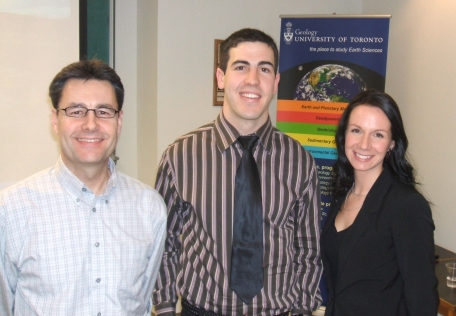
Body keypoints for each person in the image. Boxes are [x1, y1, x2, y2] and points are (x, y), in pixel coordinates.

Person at [153, 28, 322, 316]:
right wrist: (167, 308)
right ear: (221, 77)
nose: (253, 80)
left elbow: (307, 249)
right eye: (241, 66)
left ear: (276, 82)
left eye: (264, 69)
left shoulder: (299, 161)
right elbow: (163, 243)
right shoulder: (180, 156)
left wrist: (303, 310)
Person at [0, 59, 167, 315]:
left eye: (103, 111)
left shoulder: (149, 206)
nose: (91, 124)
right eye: (76, 111)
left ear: (119, 121)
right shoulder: (12, 209)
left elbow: (142, 303)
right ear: (55, 120)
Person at [321, 89, 439, 316]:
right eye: (356, 131)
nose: (364, 145)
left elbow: (422, 297)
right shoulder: (341, 195)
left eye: (378, 135)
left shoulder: (406, 205)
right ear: (344, 135)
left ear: (392, 143)